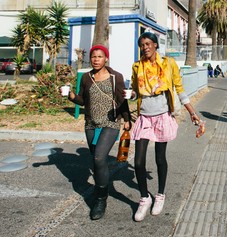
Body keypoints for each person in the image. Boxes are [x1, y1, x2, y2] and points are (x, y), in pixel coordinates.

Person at [129, 32, 201, 222]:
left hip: (162, 116)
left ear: (155, 45)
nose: (145, 47)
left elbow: (179, 88)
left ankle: (160, 195)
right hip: (144, 117)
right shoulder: (137, 67)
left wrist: (192, 112)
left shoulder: (168, 64)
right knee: (138, 162)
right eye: (142, 45)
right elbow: (136, 92)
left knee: (160, 158)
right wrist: (130, 95)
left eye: (148, 44)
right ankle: (144, 198)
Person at [66, 44, 131, 220]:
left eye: (100, 57)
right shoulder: (86, 78)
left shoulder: (115, 77)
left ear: (106, 58)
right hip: (91, 124)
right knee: (96, 162)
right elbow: (82, 100)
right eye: (94, 57)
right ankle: (100, 187)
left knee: (99, 158)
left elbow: (121, 99)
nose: (96, 60)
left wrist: (126, 119)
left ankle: (101, 199)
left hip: (110, 123)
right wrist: (71, 96)